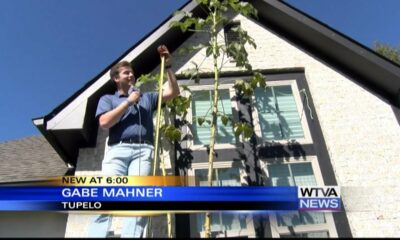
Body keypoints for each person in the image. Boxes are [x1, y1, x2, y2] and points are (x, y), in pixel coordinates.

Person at [88, 45, 179, 238]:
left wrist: (169, 66)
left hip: (143, 151)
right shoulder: (108, 99)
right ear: (116, 78)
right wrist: (128, 102)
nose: (131, 76)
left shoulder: (148, 98)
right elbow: (104, 122)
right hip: (117, 152)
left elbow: (173, 93)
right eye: (126, 73)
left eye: (132, 73)